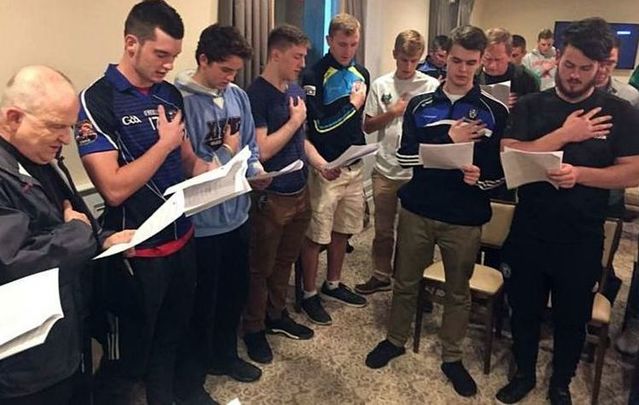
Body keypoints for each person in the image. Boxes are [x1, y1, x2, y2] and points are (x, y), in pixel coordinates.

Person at [494, 18, 639, 405]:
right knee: (523, 309)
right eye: (570, 65)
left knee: (571, 317)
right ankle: (523, 373)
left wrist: (581, 175)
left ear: (601, 68)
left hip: (582, 234)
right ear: (558, 57)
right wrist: (564, 135)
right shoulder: (531, 105)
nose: (575, 76)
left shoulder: (619, 111)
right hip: (530, 228)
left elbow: (634, 169)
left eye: (585, 69)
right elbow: (508, 156)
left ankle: (561, 382)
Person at [76, 1, 213, 403]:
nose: (168, 65)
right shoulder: (96, 100)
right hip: (136, 250)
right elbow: (113, 188)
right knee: (127, 359)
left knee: (175, 335)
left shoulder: (170, 94)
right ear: (131, 43)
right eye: (160, 54)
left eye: (173, 56)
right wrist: (165, 143)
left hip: (182, 238)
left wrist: (216, 172)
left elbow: (187, 160)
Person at [365, 25, 509, 399]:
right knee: (406, 281)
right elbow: (406, 157)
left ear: (481, 63)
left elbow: (499, 174)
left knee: (458, 292)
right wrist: (448, 140)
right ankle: (395, 340)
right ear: (446, 57)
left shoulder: (494, 111)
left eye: (471, 63)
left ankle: (452, 356)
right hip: (418, 208)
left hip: (465, 216)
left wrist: (481, 177)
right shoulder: (420, 104)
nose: (462, 70)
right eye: (457, 61)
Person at [0, 65, 133, 404]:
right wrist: (79, 234)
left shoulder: (40, 157)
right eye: (56, 127)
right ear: (13, 118)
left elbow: (73, 211)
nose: (65, 139)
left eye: (70, 127)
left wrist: (102, 237)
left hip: (66, 332)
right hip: (26, 362)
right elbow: (14, 261)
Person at [174, 23, 268, 387]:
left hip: (236, 214)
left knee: (233, 293)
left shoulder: (238, 97)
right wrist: (226, 153)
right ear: (203, 59)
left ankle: (225, 355)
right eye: (224, 69)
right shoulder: (180, 100)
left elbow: (249, 148)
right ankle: (196, 371)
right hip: (202, 223)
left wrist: (257, 170)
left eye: (235, 71)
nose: (230, 78)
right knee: (203, 303)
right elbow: (192, 167)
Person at [241, 25, 316, 364]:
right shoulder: (255, 95)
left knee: (285, 260)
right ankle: (254, 328)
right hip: (272, 197)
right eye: (297, 56)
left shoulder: (295, 89)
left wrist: (323, 163)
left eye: (304, 56)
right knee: (260, 267)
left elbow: (301, 141)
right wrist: (294, 120)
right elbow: (262, 149)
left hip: (301, 190)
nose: (302, 63)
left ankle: (276, 315)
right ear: (276, 54)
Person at [354, 30, 439, 295]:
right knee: (383, 229)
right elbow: (367, 126)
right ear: (395, 55)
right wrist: (392, 112)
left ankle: (414, 282)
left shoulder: (431, 87)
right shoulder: (381, 85)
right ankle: (381, 274)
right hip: (386, 169)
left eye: (414, 61)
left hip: (418, 171)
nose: (408, 66)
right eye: (403, 60)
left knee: (415, 235)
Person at [299, 13, 370, 325]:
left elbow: (357, 124)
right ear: (329, 40)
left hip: (354, 164)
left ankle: (334, 283)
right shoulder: (314, 73)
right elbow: (318, 126)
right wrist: (352, 105)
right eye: (342, 43)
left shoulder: (361, 72)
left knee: (344, 230)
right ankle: (309, 294)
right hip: (325, 168)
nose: (348, 50)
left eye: (353, 44)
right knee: (316, 236)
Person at [477, 28, 539, 109]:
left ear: (509, 56)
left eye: (498, 60)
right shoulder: (473, 76)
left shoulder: (526, 79)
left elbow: (536, 113)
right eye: (487, 59)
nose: (492, 65)